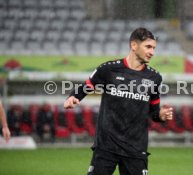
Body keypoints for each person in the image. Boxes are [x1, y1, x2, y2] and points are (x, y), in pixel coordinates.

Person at [64, 28, 173, 175]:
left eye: (154, 48)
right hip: (106, 146)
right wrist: (73, 97)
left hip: (135, 149)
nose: (152, 52)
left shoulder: (154, 78)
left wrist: (161, 115)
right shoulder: (109, 69)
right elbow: (87, 86)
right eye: (148, 47)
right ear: (134, 45)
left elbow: (153, 113)